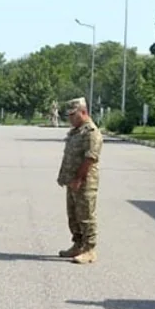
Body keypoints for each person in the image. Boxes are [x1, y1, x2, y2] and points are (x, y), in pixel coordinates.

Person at [56, 97, 102, 264]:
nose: (70, 119)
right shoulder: (76, 131)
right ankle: (78, 245)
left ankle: (89, 250)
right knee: (73, 215)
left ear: (83, 112)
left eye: (73, 115)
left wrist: (78, 179)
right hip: (72, 181)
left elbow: (90, 158)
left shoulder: (91, 132)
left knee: (86, 216)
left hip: (84, 182)